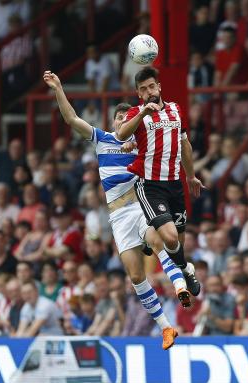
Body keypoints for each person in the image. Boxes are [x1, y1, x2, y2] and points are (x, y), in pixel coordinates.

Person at [44, 70, 190, 349]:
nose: (124, 120)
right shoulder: (103, 140)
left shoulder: (143, 142)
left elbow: (172, 141)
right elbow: (71, 119)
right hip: (118, 215)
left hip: (141, 204)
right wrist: (58, 89)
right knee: (135, 276)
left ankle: (180, 286)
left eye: (128, 117)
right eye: (120, 117)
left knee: (159, 242)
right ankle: (166, 327)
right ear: (114, 122)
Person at [113, 66, 204, 295]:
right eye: (143, 89)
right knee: (170, 237)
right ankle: (185, 269)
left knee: (178, 243)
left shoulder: (175, 110)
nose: (148, 91)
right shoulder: (136, 113)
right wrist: (144, 113)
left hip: (175, 183)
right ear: (139, 93)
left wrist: (191, 176)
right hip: (150, 185)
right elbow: (122, 134)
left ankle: (182, 264)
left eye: (152, 86)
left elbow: (184, 144)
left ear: (159, 86)